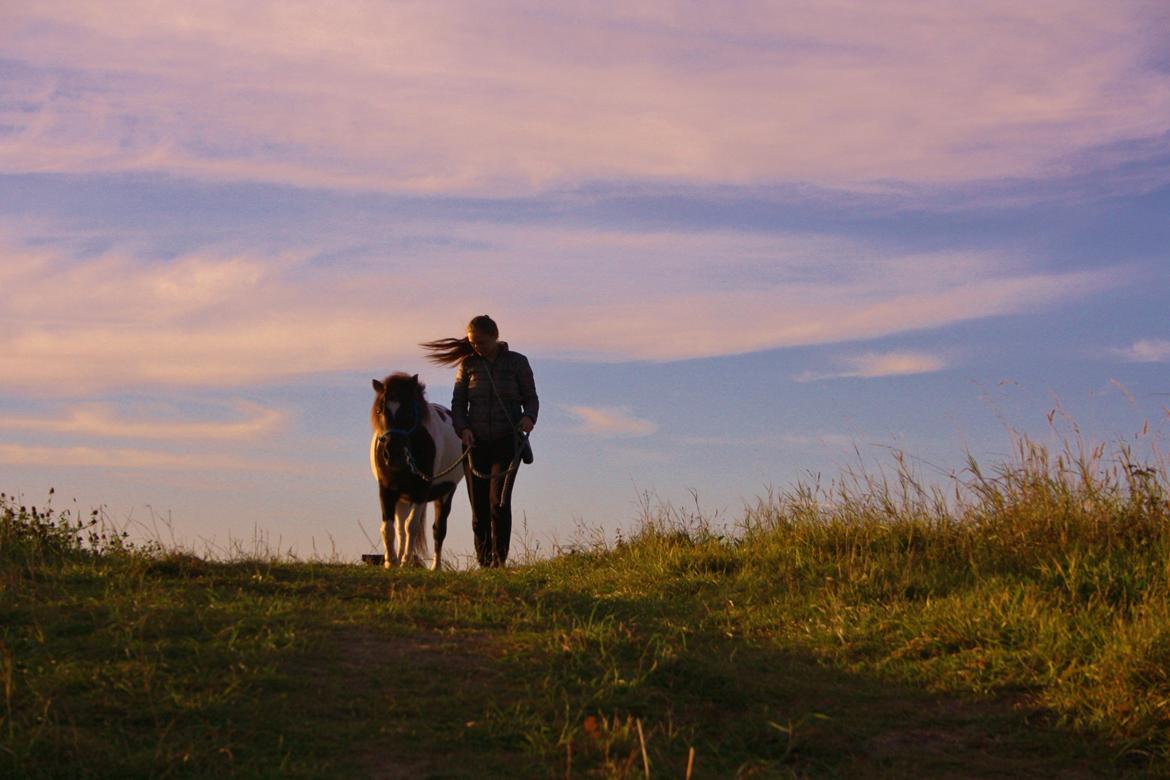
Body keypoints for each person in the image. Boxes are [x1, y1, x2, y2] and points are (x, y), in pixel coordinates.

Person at [421, 315, 538, 567]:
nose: (476, 347)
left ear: (495, 337)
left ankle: (500, 560)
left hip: (508, 441)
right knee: (479, 510)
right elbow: (458, 404)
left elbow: (531, 398)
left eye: (481, 342)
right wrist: (462, 429)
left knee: (499, 502)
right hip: (476, 444)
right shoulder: (468, 366)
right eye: (473, 343)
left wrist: (528, 417)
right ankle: (484, 562)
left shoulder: (517, 363)